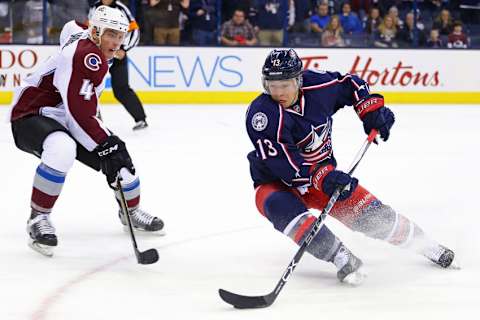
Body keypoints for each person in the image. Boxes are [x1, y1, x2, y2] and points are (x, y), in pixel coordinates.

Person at [245, 48, 457, 285]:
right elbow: (284, 164)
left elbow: (350, 84)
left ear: (298, 80)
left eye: (284, 84)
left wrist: (370, 111)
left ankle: (426, 245)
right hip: (276, 184)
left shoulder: (318, 87)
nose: (278, 92)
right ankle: (340, 256)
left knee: (374, 217)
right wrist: (323, 176)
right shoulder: (262, 115)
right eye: (272, 85)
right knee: (282, 209)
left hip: (323, 178)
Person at [9, 5, 164, 257]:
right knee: (63, 148)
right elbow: (79, 113)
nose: (116, 42)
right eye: (110, 34)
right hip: (32, 113)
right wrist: (105, 144)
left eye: (120, 35)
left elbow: (71, 27)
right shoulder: (86, 57)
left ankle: (130, 212)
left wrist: (110, 147)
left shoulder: (87, 38)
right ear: (96, 32)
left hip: (67, 116)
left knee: (121, 164)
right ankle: (38, 218)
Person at [90, 0, 148, 130]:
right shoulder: (94, 8)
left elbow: (134, 30)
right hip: (98, 56)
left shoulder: (121, 8)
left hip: (117, 55)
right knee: (91, 89)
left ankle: (141, 118)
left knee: (121, 88)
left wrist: (124, 49)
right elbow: (90, 30)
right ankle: (94, 121)